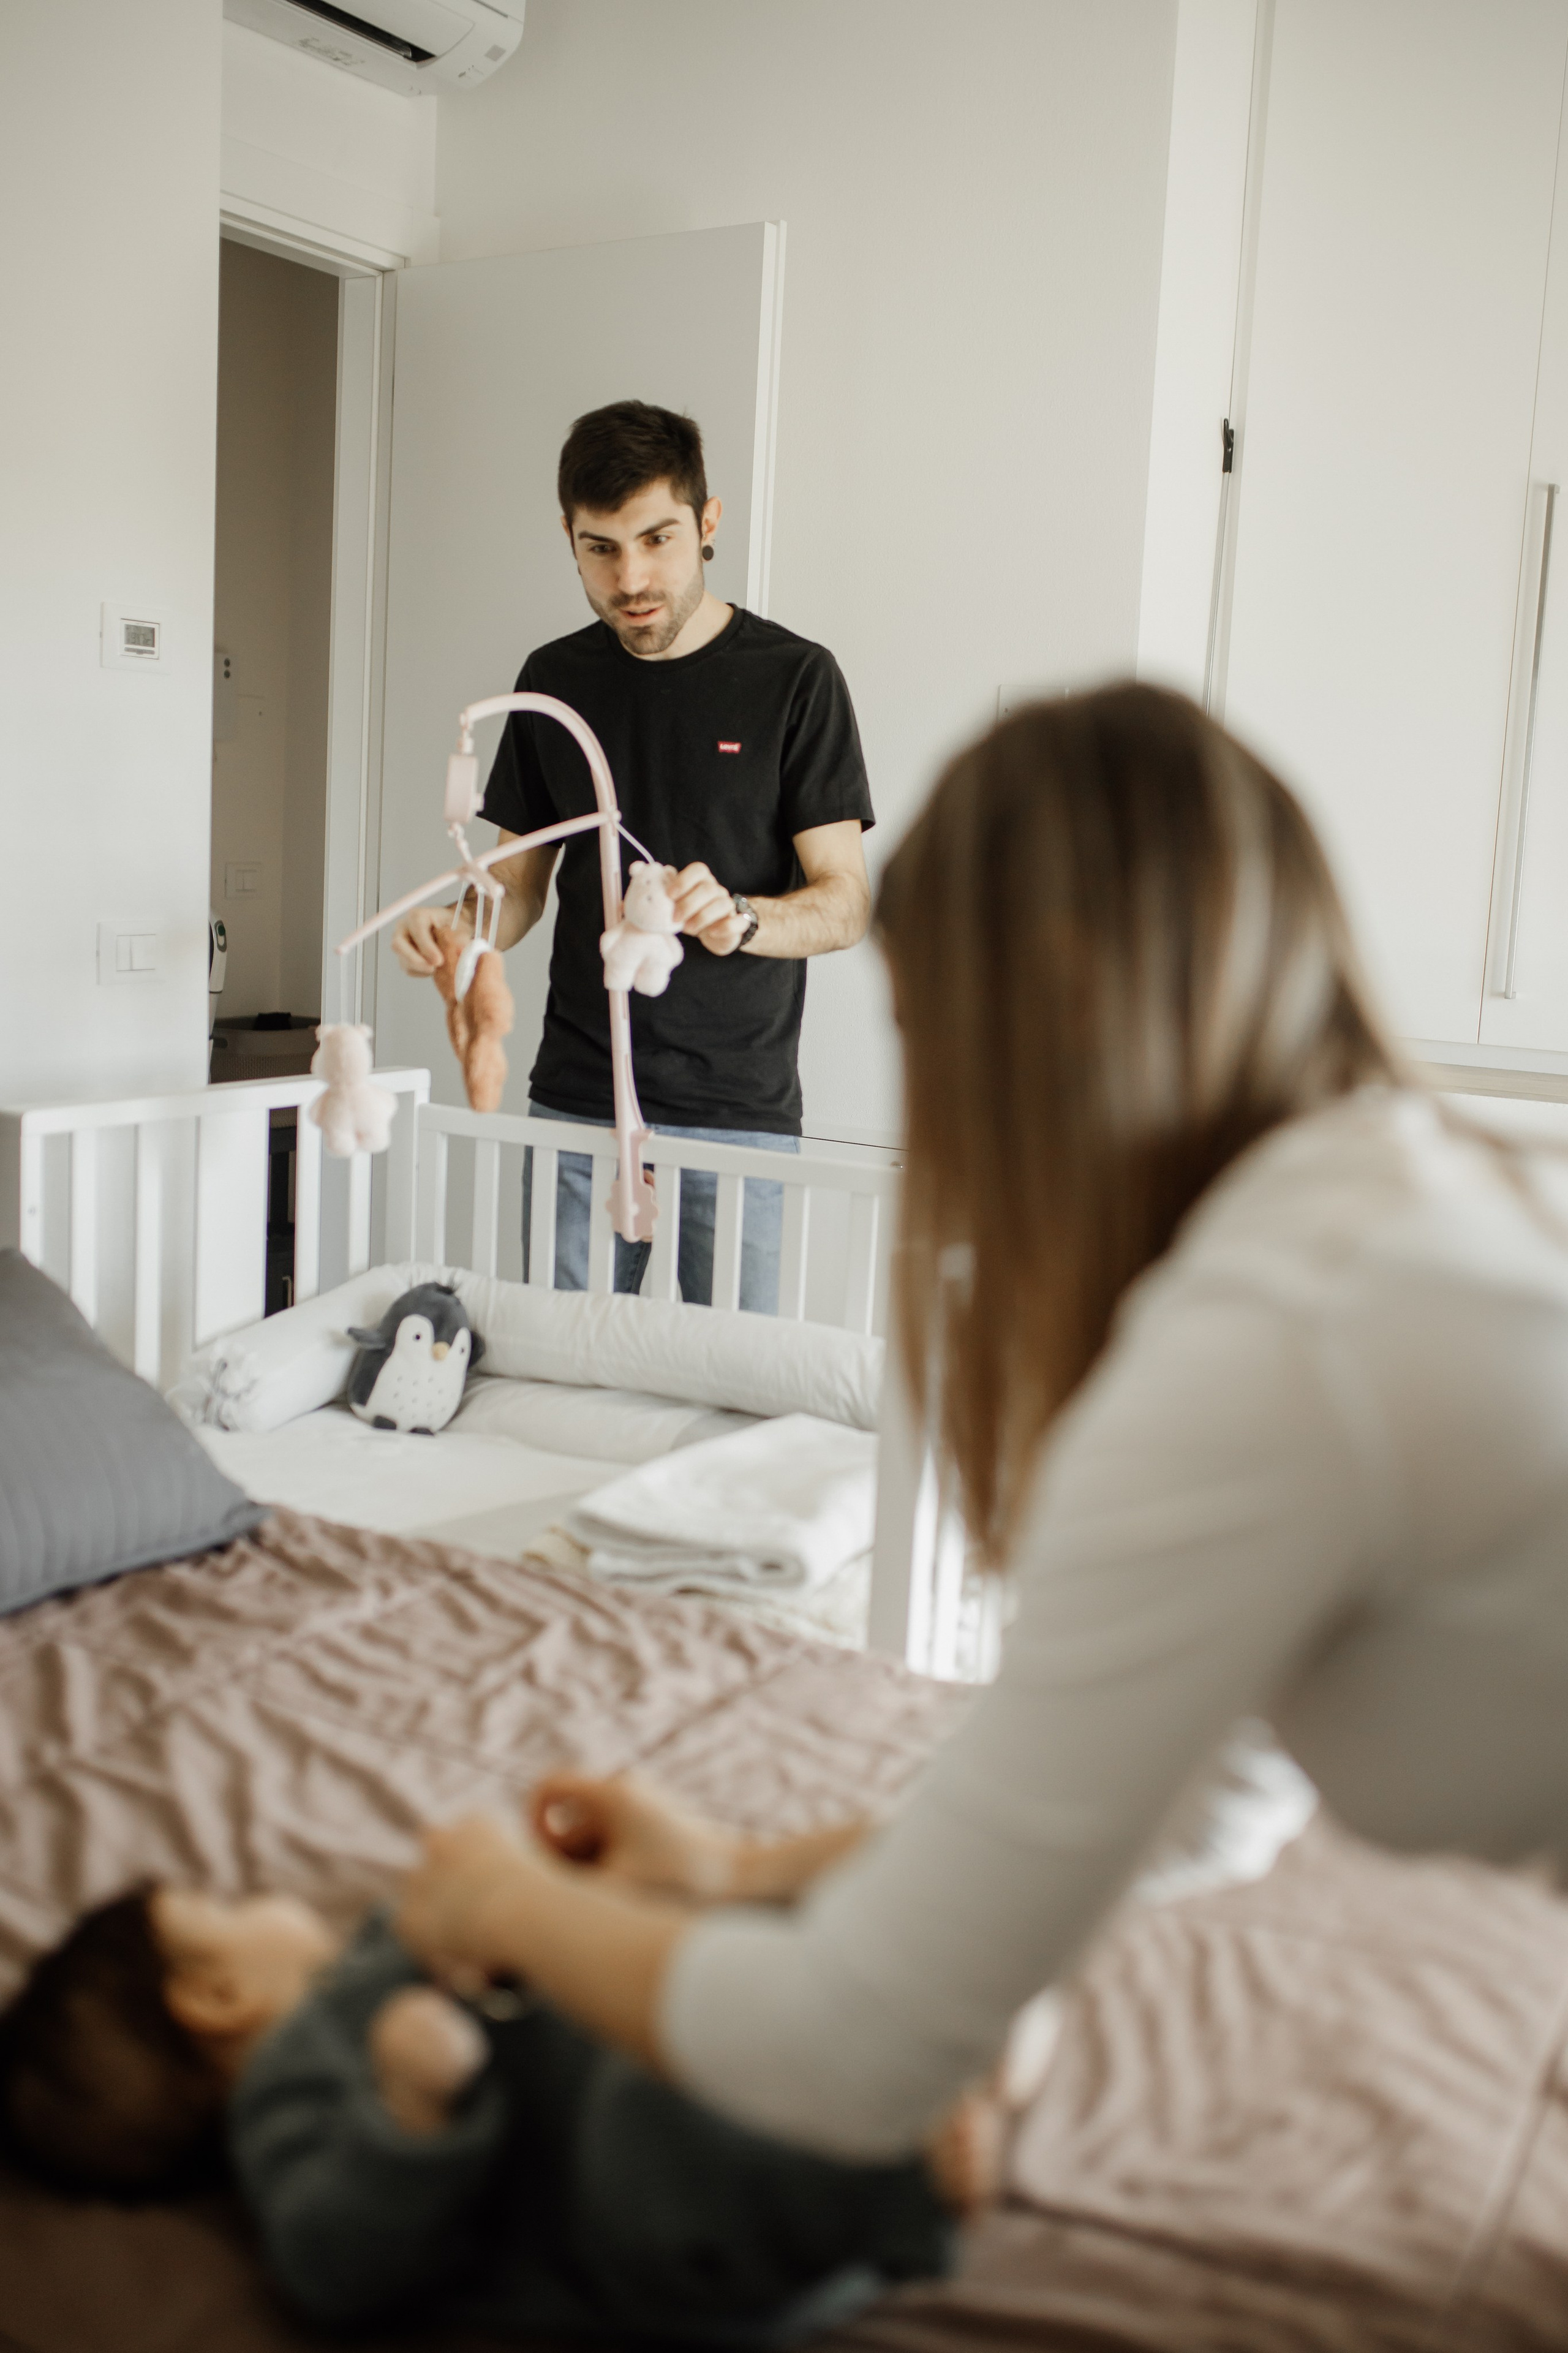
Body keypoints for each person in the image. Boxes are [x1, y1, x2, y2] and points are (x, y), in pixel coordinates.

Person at [382, 682, 1568, 2167]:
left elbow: (843, 2053)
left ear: (1036, 1024)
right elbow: (1202, 1808)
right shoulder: (1398, 1205)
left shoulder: (1265, 1341)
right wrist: (743, 1870)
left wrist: (504, 1905)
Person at [0, 1848, 989, 2344]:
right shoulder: (284, 2098)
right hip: (619, 2209)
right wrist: (409, 2113)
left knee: (716, 1972)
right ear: (215, 1996)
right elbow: (328, 2261)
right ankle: (899, 2166)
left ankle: (905, 2015)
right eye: (226, 1905)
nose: (266, 1894)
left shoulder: (371, 1959)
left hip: (642, 2088)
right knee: (658, 2113)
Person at [391, 399, 873, 1315]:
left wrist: (743, 918)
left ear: (709, 522)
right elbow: (520, 888)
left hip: (737, 1113)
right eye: (601, 547)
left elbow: (845, 902)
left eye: (657, 538)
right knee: (559, 1374)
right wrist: (459, 932)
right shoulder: (553, 681)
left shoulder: (796, 679)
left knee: (730, 1394)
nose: (633, 577)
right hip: (578, 1098)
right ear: (569, 540)